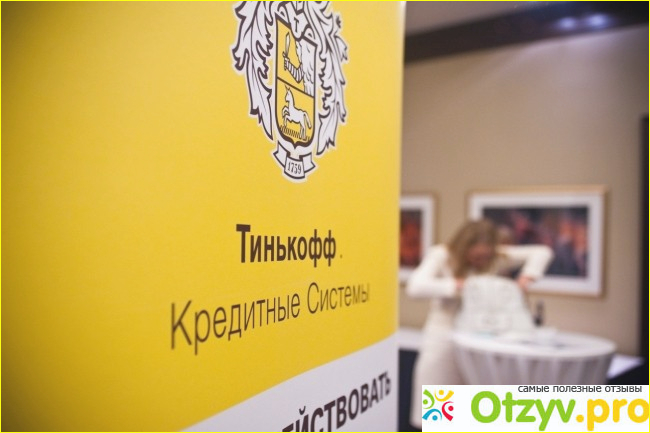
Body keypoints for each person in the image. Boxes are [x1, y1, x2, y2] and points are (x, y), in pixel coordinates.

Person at [406, 219, 553, 429]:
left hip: (478, 341)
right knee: (436, 411)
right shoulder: (441, 255)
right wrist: (459, 286)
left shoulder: (497, 258)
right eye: (475, 257)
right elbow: (415, 287)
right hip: (443, 341)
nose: (481, 262)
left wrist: (527, 277)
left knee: (470, 411)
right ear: (463, 248)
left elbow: (542, 252)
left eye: (485, 257)